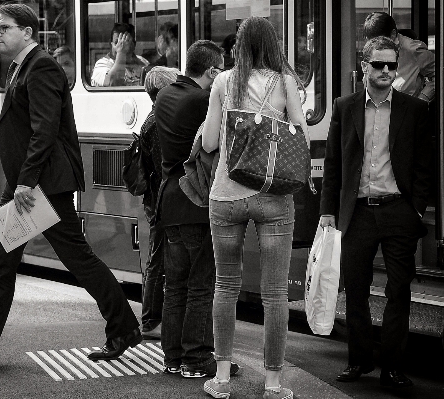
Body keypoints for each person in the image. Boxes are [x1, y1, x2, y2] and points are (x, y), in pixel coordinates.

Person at [0, 3, 141, 366]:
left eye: (3, 27)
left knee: (72, 259)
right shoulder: (22, 68)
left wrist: (24, 184)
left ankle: (122, 327)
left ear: (27, 32)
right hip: (30, 184)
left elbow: (44, 131)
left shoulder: (41, 66)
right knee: (6, 257)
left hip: (42, 186)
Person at [201, 17, 310, 399]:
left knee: (226, 286)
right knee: (275, 293)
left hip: (227, 195)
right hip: (273, 195)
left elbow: (212, 143)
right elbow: (300, 130)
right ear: (273, 45)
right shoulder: (285, 81)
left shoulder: (223, 82)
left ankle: (221, 378)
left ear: (240, 47)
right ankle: (274, 384)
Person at [320, 36, 431, 389]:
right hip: (359, 214)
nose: (386, 71)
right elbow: (334, 165)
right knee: (355, 290)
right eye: (379, 64)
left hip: (399, 211)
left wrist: (416, 208)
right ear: (364, 66)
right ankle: (359, 361)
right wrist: (327, 213)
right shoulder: (344, 106)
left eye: (392, 65)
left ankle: (393, 367)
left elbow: (424, 166)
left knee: (399, 291)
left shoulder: (413, 110)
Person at [155, 40, 238, 379]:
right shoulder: (203, 99)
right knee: (201, 285)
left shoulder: (165, 95)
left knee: (175, 285)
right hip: (196, 199)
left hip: (170, 200)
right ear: (212, 71)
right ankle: (198, 358)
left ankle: (173, 357)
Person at [138, 66, 179, 339]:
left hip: (156, 198)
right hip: (161, 200)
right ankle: (151, 320)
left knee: (158, 257)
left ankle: (152, 318)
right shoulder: (158, 123)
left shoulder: (152, 120)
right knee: (158, 259)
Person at [363, 11, 435, 103]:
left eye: (381, 44)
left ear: (393, 35)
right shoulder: (372, 49)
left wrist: (422, 99)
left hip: (405, 110)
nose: (376, 48)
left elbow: (440, 73)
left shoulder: (413, 50)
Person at [91, 23, 149, 87]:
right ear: (111, 44)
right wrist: (121, 53)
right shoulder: (102, 64)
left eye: (126, 42)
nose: (121, 46)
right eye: (117, 42)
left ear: (134, 44)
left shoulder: (142, 62)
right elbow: (112, 83)